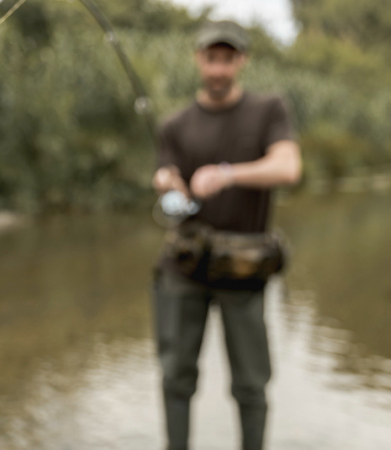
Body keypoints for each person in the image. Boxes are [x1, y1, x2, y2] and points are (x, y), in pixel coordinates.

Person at [150, 20, 302, 450]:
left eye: (227, 59)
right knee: (175, 377)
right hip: (184, 269)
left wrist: (228, 173)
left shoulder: (269, 109)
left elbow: (289, 167)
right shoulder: (174, 125)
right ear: (199, 60)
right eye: (211, 58)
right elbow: (168, 185)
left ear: (241, 61)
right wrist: (168, 185)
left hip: (244, 269)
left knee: (251, 385)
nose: (218, 69)